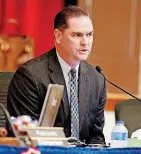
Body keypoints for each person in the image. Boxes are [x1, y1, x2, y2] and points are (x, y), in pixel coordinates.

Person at [7, 5, 106, 144]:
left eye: (89, 34)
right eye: (77, 35)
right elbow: (25, 137)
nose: (85, 42)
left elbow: (96, 137)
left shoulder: (97, 78)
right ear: (58, 36)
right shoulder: (30, 76)